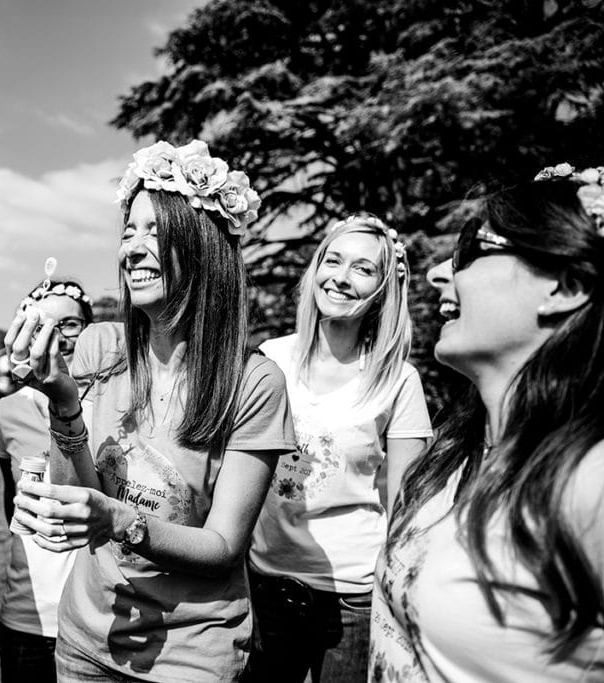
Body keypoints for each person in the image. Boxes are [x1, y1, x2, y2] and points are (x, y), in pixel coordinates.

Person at [6, 140, 298, 682]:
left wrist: (120, 518)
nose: (132, 250)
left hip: (187, 656)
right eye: (128, 232)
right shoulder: (102, 350)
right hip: (85, 644)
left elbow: (222, 548)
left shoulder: (255, 382)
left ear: (204, 249)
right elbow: (78, 496)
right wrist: (63, 406)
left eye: (156, 233)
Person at [370, 163, 604, 681]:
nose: (435, 274)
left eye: (471, 253)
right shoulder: (454, 453)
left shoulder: (592, 481)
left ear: (564, 286)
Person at [245, 214, 433, 682]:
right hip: (264, 584)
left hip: (352, 598)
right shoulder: (272, 358)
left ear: (383, 288)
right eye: (333, 260)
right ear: (315, 271)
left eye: (363, 269)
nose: (341, 278)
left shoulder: (398, 379)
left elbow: (407, 505)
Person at [0, 278, 93, 682]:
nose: (57, 336)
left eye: (70, 323)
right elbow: (9, 509)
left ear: (90, 327)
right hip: (27, 616)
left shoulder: (117, 404)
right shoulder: (5, 412)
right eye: (43, 323)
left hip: (99, 616)